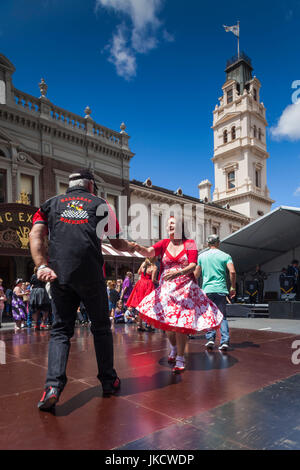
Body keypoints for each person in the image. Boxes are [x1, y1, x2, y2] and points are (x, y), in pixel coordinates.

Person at [29, 168, 135, 411]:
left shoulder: (50, 204)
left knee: (60, 331)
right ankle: (108, 381)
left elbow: (36, 234)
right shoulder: (101, 204)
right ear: (90, 186)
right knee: (100, 328)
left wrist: (41, 265)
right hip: (91, 274)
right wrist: (132, 246)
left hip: (59, 273)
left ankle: (53, 387)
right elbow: (117, 243)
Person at [131, 216, 223, 373]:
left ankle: (180, 357)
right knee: (168, 324)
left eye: (172, 224)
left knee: (181, 325)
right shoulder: (165, 243)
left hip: (185, 289)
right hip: (167, 290)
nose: (169, 227)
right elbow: (148, 251)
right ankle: (173, 347)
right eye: (168, 225)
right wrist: (137, 247)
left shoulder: (190, 243)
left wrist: (178, 272)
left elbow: (193, 264)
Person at [195, 234, 236, 351]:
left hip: (207, 290)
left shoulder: (202, 256)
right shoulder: (225, 256)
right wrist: (233, 287)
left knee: (209, 316)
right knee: (222, 316)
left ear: (208, 244)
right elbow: (232, 272)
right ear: (218, 243)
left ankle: (210, 339)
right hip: (221, 290)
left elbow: (196, 275)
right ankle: (224, 341)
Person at [126, 258, 157, 332]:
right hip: (148, 285)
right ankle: (149, 325)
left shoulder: (143, 263)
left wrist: (144, 273)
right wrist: (159, 282)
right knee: (149, 305)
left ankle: (139, 325)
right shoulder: (154, 267)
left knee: (140, 305)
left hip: (140, 284)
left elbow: (139, 272)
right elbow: (153, 280)